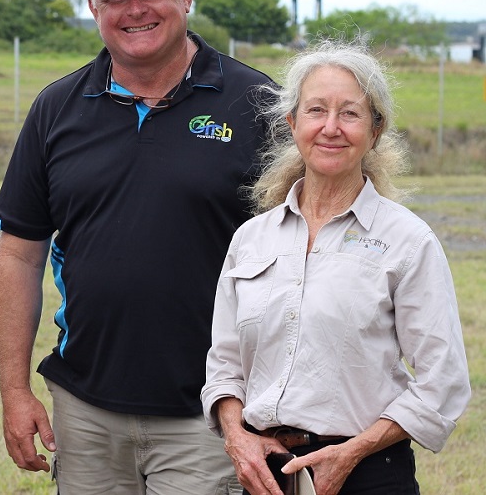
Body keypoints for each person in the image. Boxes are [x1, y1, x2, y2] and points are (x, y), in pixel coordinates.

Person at [0, 0, 273, 494]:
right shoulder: (56, 108)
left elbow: (305, 254)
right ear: (93, 7)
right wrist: (15, 392)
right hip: (85, 408)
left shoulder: (256, 103)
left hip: (211, 409)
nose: (135, 9)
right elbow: (19, 255)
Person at [201, 40, 472, 495]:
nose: (331, 127)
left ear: (375, 130)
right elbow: (224, 365)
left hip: (367, 472)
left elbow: (442, 383)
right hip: (267, 474)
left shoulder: (408, 241)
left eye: (350, 113)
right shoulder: (251, 238)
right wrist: (236, 437)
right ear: (291, 124)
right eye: (315, 111)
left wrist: (350, 453)